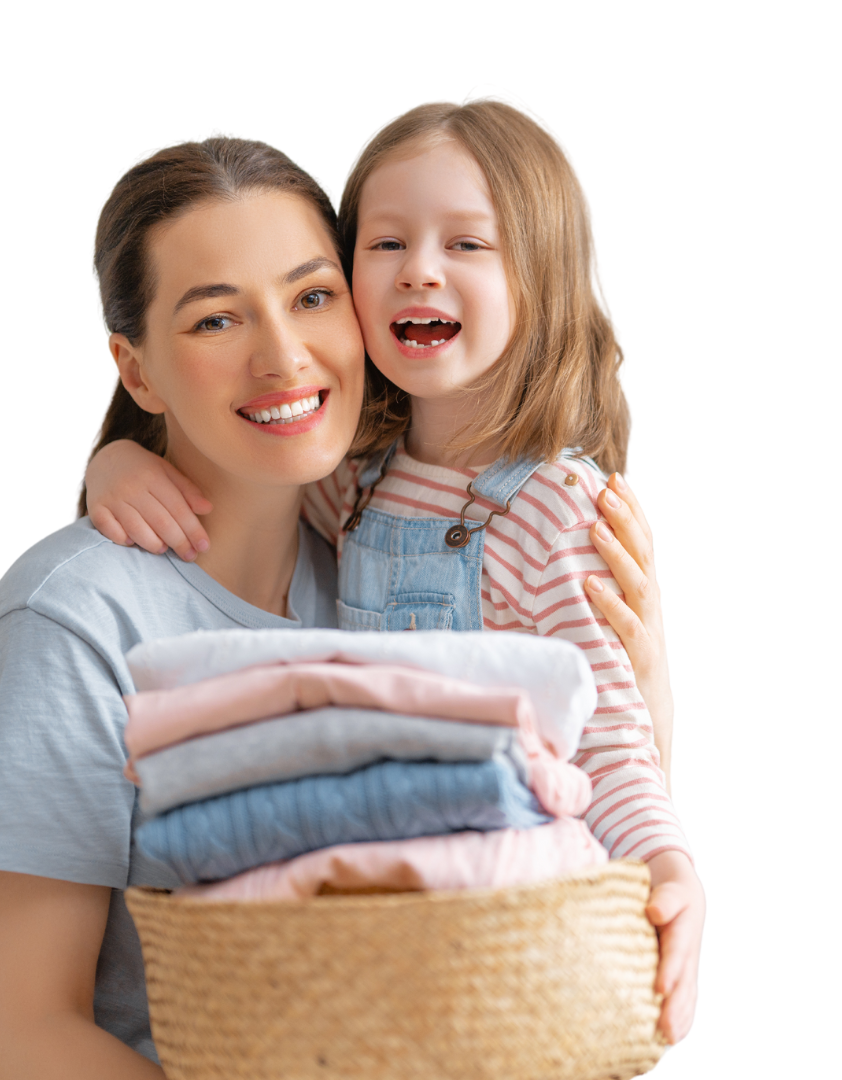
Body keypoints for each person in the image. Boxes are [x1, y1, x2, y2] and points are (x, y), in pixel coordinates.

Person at [81, 94, 703, 1049]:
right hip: (358, 927)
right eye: (385, 244)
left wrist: (667, 867)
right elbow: (242, 485)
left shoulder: (555, 508)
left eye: (467, 244)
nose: (420, 270)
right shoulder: (357, 485)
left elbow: (613, 745)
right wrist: (121, 459)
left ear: (541, 275)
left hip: (485, 928)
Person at [0, 134, 367, 1080]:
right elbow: (33, 1035)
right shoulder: (69, 624)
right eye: (215, 322)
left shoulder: (378, 578)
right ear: (136, 369)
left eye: (313, 297)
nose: (283, 355)